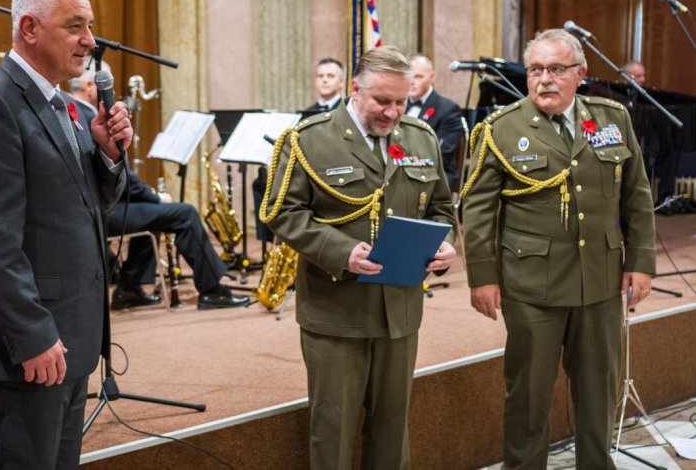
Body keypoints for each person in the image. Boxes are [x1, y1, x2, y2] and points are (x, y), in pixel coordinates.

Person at [0, 0, 132, 469]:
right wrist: (32, 334)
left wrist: (109, 158)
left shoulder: (70, 107)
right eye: (75, 27)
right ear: (29, 27)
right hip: (26, 350)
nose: (90, 42)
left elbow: (92, 206)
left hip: (69, 337)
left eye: (90, 26)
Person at [462, 28, 656, 468]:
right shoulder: (501, 128)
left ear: (580, 73)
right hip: (532, 286)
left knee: (598, 390)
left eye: (555, 69)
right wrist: (483, 276)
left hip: (600, 281)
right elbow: (478, 210)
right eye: (535, 70)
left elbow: (637, 196)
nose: (544, 79)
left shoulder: (612, 118)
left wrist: (640, 263)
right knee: (529, 395)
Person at [263, 45, 457, 468]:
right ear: (355, 90)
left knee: (392, 429)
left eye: (401, 102)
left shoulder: (420, 136)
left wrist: (445, 243)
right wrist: (341, 251)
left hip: (400, 311)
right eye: (381, 101)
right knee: (332, 432)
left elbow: (441, 206)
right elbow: (281, 211)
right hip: (337, 312)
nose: (392, 112)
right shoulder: (309, 139)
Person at [70, 59, 249, 311]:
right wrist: (155, 198)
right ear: (90, 86)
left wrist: (148, 198)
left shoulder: (69, 111)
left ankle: (129, 289)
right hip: (104, 210)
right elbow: (118, 168)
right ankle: (212, 290)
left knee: (153, 216)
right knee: (184, 213)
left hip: (95, 206)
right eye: (106, 89)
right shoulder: (89, 116)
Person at [406, 53, 465, 191]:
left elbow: (441, 156)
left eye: (418, 76)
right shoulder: (398, 106)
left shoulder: (448, 109)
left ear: (432, 77)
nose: (412, 82)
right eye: (409, 76)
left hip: (435, 178)